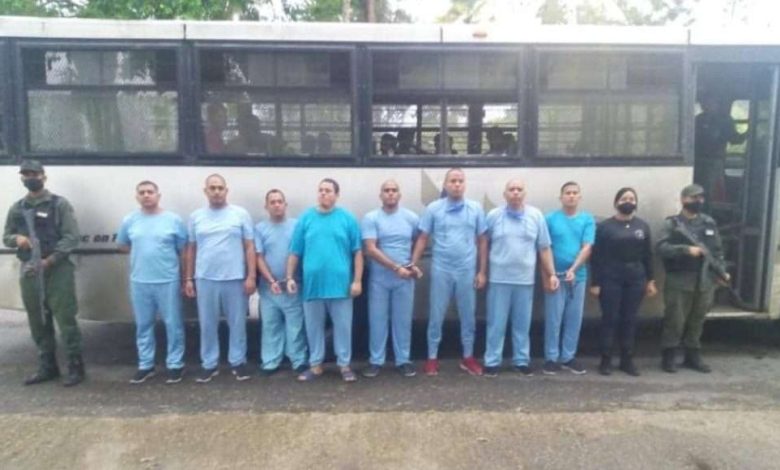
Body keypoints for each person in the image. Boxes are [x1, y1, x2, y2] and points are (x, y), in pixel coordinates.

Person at [3, 160, 84, 386]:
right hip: (30, 269)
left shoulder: (59, 204)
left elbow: (71, 237)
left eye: (34, 174)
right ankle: (47, 366)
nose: (30, 178)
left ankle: (76, 367)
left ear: (43, 177)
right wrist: (17, 239)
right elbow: (6, 236)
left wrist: (50, 260)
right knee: (38, 319)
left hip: (57, 269)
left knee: (65, 319)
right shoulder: (18, 208)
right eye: (26, 174)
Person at [411, 168, 487, 376]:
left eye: (460, 181)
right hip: (442, 268)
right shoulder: (434, 209)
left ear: (465, 184)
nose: (457, 184)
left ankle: (468, 357)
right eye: (452, 181)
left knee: (468, 315)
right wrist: (413, 264)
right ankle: (432, 358)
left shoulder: (475, 209)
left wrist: (482, 271)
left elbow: (482, 240)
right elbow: (423, 238)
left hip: (466, 269)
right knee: (436, 315)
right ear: (445, 185)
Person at [286, 178, 363, 382]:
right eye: (320, 190)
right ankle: (315, 365)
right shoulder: (306, 218)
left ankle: (344, 365)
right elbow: (295, 251)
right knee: (313, 327)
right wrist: (289, 277)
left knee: (343, 327)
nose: (323, 193)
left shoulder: (347, 219)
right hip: (313, 285)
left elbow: (357, 252)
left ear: (337, 195)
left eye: (328, 190)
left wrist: (357, 280)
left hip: (341, 286)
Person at [184, 174, 256, 383]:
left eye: (220, 188)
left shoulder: (240, 214)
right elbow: (191, 249)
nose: (216, 192)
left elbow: (249, 246)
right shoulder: (196, 217)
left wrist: (251, 276)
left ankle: (238, 362)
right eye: (212, 188)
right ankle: (209, 364)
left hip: (235, 277)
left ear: (226, 190)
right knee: (207, 324)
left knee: (237, 324)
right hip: (205, 278)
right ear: (205, 191)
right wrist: (188, 278)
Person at [483, 179, 557, 377]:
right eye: (511, 189)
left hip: (525, 281)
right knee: (496, 324)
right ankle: (492, 361)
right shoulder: (493, 216)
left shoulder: (536, 216)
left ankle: (521, 360)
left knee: (522, 325)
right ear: (504, 194)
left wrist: (551, 274)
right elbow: (483, 245)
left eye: (519, 189)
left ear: (524, 194)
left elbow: (544, 248)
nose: (515, 192)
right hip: (499, 280)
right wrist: (481, 271)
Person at [117, 181, 187, 384]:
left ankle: (175, 364)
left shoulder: (173, 220)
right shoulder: (130, 220)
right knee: (143, 325)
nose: (146, 195)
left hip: (168, 280)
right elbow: (122, 245)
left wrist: (184, 278)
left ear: (158, 195)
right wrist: (142, 253)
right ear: (137, 197)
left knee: (173, 324)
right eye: (142, 192)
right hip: (140, 281)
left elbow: (183, 250)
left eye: (150, 192)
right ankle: (146, 365)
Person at [657, 184, 728, 374]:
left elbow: (717, 251)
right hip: (679, 280)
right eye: (694, 197)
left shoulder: (709, 223)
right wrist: (686, 250)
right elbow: (661, 248)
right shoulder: (672, 224)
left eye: (701, 198)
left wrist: (721, 272)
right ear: (683, 199)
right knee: (675, 320)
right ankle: (669, 355)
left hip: (704, 280)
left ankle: (692, 355)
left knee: (697, 319)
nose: (698, 201)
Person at [590, 188, 657, 376]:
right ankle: (605, 360)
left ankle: (627, 360)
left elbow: (648, 255)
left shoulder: (642, 226)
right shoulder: (605, 227)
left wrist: (651, 280)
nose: (628, 201)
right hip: (611, 278)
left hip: (636, 279)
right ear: (616, 202)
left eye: (632, 199)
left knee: (630, 319)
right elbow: (597, 257)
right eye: (624, 198)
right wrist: (595, 283)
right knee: (609, 319)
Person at [361, 180, 421, 378]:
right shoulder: (371, 218)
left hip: (404, 279)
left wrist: (413, 264)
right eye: (386, 190)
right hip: (380, 278)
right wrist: (396, 267)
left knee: (402, 321)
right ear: (381, 195)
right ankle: (375, 361)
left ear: (399, 194)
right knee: (377, 320)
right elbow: (370, 249)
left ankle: (403, 360)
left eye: (394, 190)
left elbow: (420, 241)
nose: (390, 193)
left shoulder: (411, 218)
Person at [543, 182, 595, 375]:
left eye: (575, 193)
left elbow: (587, 247)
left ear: (580, 197)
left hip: (577, 277)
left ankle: (568, 357)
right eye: (567, 193)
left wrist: (573, 269)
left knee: (574, 319)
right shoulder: (550, 219)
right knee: (553, 319)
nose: (571, 196)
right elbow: (545, 247)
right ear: (561, 197)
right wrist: (549, 274)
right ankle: (551, 358)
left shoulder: (587, 219)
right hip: (555, 277)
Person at [254, 189, 308, 376]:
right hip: (269, 288)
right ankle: (270, 361)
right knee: (270, 325)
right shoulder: (260, 229)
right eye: (272, 202)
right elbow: (259, 257)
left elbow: (300, 253)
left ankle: (298, 360)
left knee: (295, 326)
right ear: (266, 206)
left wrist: (291, 277)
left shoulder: (296, 226)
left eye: (279, 201)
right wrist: (270, 280)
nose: (276, 205)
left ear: (285, 205)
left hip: (293, 286)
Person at [694, 92, 746, 201]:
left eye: (710, 102)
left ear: (717, 103)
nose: (706, 105)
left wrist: (748, 133)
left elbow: (735, 139)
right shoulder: (698, 120)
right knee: (698, 189)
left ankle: (711, 208)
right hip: (697, 161)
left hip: (715, 161)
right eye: (704, 103)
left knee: (712, 191)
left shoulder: (725, 120)